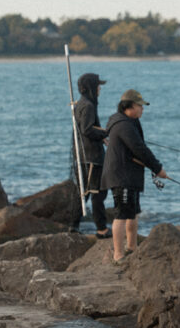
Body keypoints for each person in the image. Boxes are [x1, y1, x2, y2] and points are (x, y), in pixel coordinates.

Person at [100, 88, 167, 262]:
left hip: (130, 176)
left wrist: (154, 167)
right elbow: (140, 149)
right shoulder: (123, 124)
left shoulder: (130, 121)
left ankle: (132, 247)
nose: (142, 109)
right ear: (129, 106)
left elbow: (138, 145)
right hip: (121, 176)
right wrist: (157, 168)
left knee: (133, 212)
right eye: (140, 106)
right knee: (121, 214)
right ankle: (118, 255)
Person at [71, 73, 110, 238]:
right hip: (91, 156)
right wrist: (104, 134)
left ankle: (73, 226)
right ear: (91, 88)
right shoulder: (88, 106)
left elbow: (86, 128)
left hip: (83, 155)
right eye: (98, 86)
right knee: (97, 193)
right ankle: (101, 229)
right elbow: (87, 129)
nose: (100, 88)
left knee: (85, 192)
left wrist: (104, 136)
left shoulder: (81, 103)